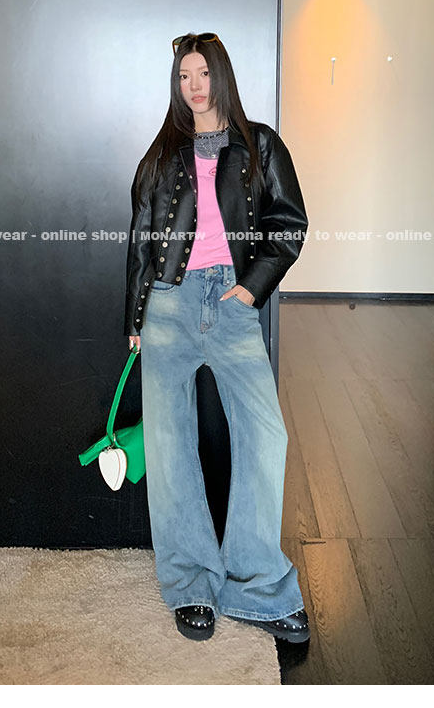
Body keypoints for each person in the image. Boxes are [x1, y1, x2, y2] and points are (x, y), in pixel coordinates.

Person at [124, 31, 310, 644]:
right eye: (184, 76)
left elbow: (289, 222)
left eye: (202, 73)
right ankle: (191, 584)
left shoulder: (260, 145)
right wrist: (135, 319)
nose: (193, 85)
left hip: (231, 302)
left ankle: (257, 587)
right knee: (170, 446)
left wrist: (253, 287)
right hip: (169, 306)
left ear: (221, 74)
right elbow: (141, 239)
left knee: (265, 436)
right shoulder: (163, 153)